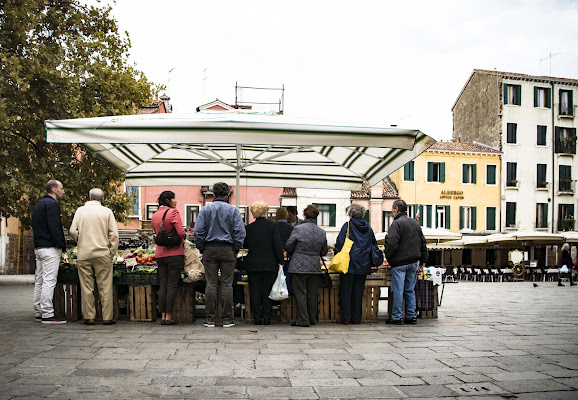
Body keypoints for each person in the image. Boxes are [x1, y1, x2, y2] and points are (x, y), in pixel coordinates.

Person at [195, 182, 246, 328]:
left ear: (213, 193)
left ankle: (209, 319)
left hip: (210, 248)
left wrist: (202, 247)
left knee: (211, 284)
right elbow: (240, 232)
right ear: (228, 194)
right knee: (227, 284)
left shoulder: (205, 210)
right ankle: (227, 319)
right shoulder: (233, 211)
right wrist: (235, 248)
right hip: (228, 249)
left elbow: (198, 231)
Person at [69, 188, 119, 325]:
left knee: (86, 287)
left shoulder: (80, 211)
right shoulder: (107, 212)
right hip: (102, 253)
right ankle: (107, 317)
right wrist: (111, 252)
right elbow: (114, 235)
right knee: (105, 286)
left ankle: (89, 316)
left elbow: (72, 230)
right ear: (102, 199)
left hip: (84, 253)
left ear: (89, 197)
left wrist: (80, 241)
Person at [385, 199, 428, 325]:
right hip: (414, 261)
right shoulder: (415, 224)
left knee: (398, 290)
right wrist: (422, 262)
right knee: (410, 290)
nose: (392, 211)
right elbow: (423, 244)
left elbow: (392, 242)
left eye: (393, 209)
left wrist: (389, 257)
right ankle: (411, 316)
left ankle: (397, 317)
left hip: (399, 262)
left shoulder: (396, 224)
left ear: (396, 209)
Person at [334, 204, 378, 325]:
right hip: (363, 264)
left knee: (346, 292)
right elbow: (373, 244)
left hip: (348, 263)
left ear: (351, 214)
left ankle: (346, 318)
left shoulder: (347, 226)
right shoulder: (368, 228)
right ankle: (356, 318)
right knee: (358, 292)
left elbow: (339, 243)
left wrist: (337, 256)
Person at [285, 204, 328, 327]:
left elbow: (288, 246)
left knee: (301, 294)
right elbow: (324, 251)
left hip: (298, 265)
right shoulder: (322, 232)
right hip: (314, 266)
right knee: (312, 294)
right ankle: (312, 318)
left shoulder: (298, 229)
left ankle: (303, 320)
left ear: (304, 215)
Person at [32, 180, 67, 324]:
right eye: (61, 188)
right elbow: (55, 227)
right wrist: (61, 245)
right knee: (49, 280)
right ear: (53, 189)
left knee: (39, 280)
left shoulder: (38, 205)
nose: (63, 191)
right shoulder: (52, 205)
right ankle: (47, 313)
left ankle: (39, 311)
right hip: (50, 248)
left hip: (39, 246)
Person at [242, 201, 284, 325]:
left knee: (254, 291)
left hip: (253, 264)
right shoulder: (273, 226)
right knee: (267, 291)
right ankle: (266, 317)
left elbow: (245, 246)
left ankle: (256, 317)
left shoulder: (248, 228)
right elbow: (277, 245)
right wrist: (281, 260)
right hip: (269, 264)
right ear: (266, 212)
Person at [151, 191, 186, 325]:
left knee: (163, 285)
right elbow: (181, 233)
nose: (175, 201)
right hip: (174, 254)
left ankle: (163, 315)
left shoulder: (154, 215)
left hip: (160, 254)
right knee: (171, 285)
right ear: (168, 200)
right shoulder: (173, 213)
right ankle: (169, 316)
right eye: (173, 199)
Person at [276, 207, 295, 295]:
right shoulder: (291, 228)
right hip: (288, 257)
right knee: (286, 279)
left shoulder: (273, 227)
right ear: (286, 216)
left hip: (275, 257)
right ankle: (286, 298)